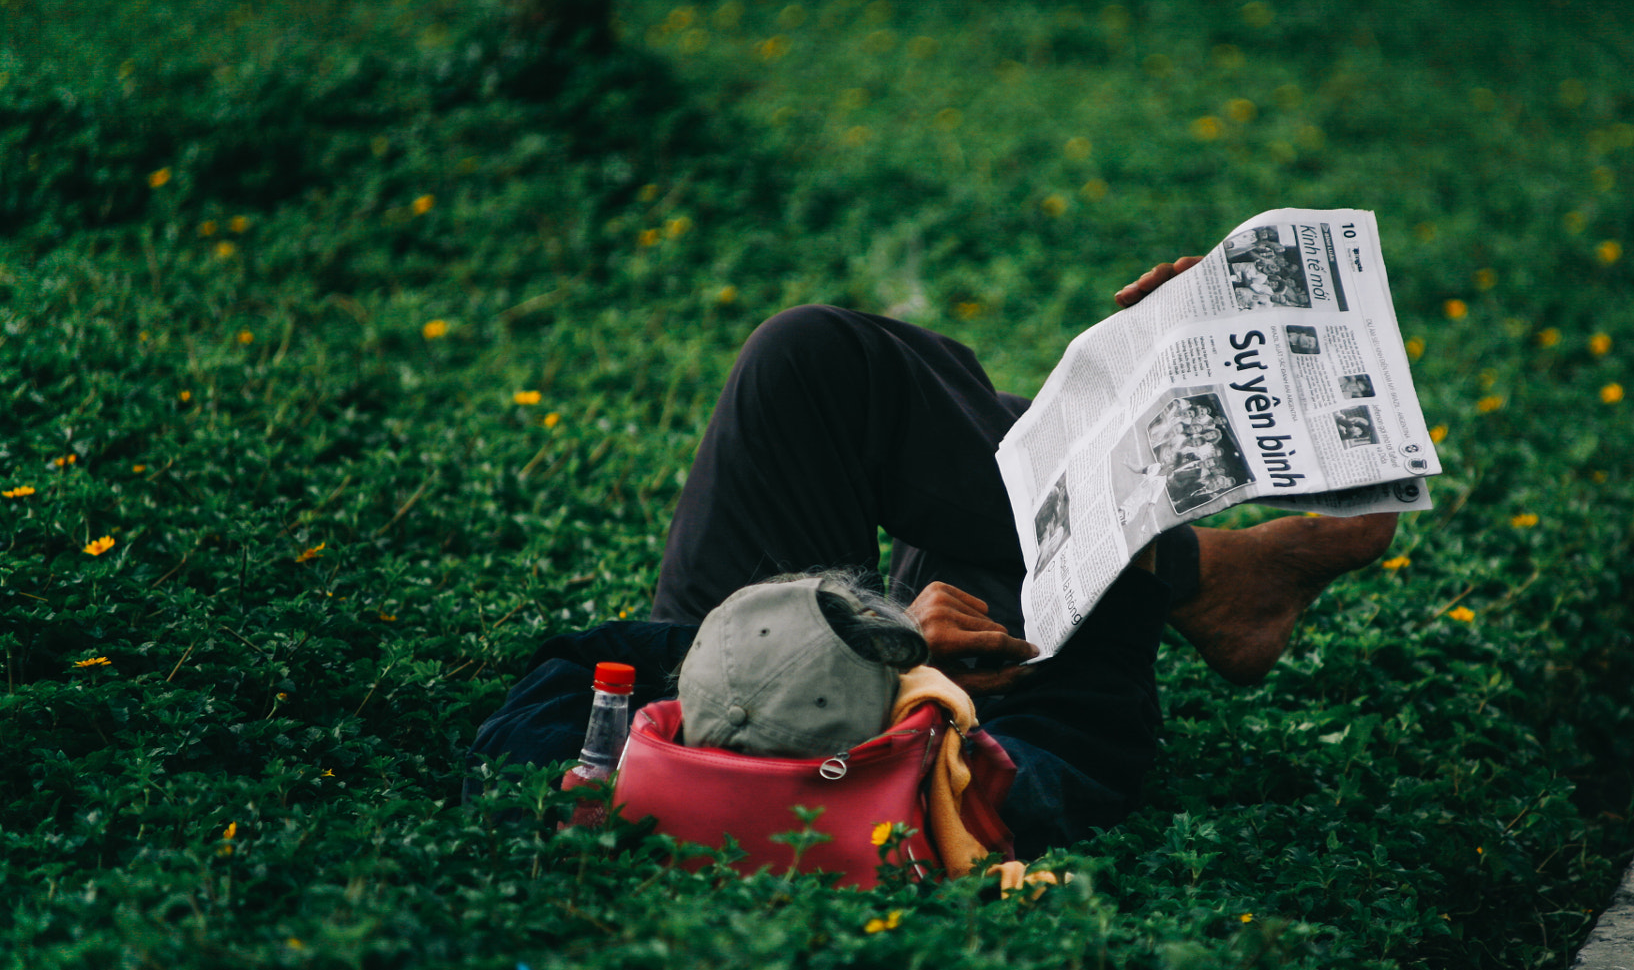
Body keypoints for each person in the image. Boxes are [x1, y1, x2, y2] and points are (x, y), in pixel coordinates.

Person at [471, 258, 1396, 859]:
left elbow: (567, 691)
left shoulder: (598, 758)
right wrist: (913, 685)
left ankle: (1206, 570)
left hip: (755, 644)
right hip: (999, 682)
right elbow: (1070, 749)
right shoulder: (976, 793)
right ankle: (1199, 570)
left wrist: (872, 643)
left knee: (809, 358)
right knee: (1006, 497)